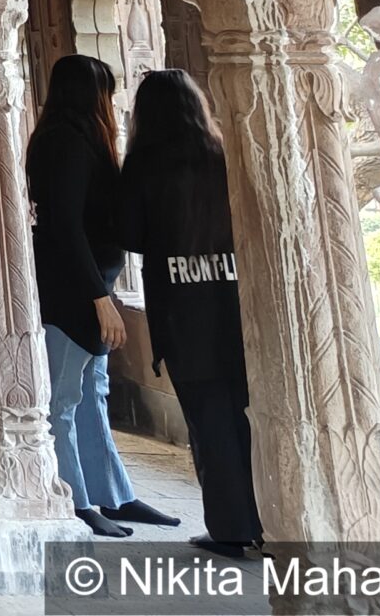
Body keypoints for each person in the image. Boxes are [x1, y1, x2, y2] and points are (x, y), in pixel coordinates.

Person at [27, 53, 178, 537]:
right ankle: (75, 500)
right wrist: (99, 298)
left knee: (93, 393)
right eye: (106, 94)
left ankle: (113, 495)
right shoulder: (66, 144)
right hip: (74, 292)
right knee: (65, 400)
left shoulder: (76, 141)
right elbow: (66, 229)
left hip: (92, 287)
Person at [118, 69, 263, 557]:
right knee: (248, 415)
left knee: (209, 420)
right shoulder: (223, 154)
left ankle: (230, 528)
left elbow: (131, 236)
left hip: (183, 311)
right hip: (238, 305)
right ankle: (269, 518)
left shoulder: (145, 165)